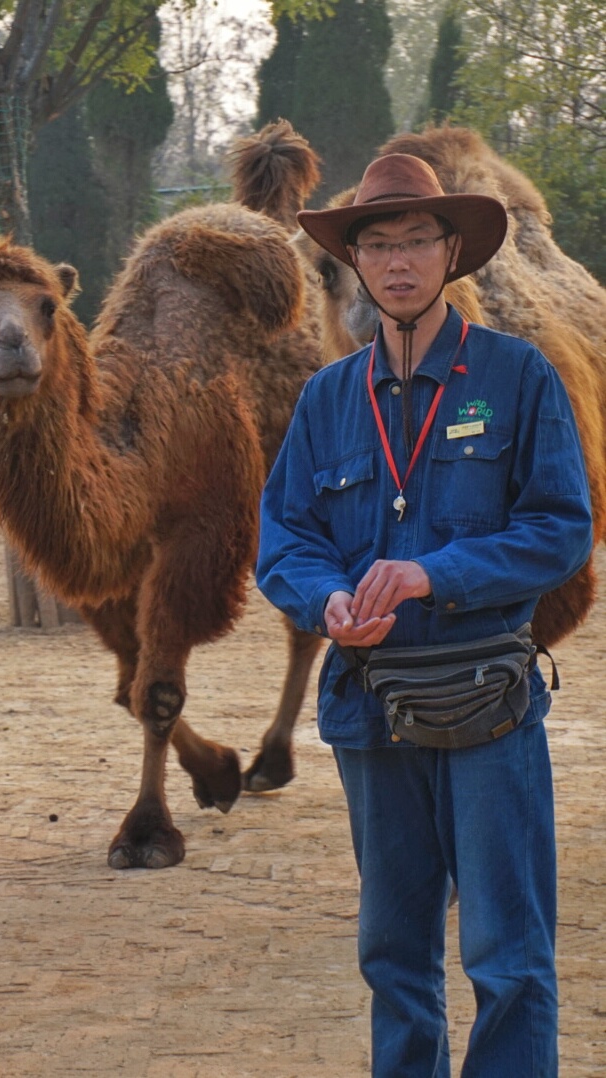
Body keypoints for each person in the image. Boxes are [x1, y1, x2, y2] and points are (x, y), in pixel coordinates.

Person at [257, 152, 594, 1077]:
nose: (397, 262)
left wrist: (430, 574)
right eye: (377, 244)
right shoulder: (327, 399)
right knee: (394, 954)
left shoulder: (518, 378)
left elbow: (561, 531)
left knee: (506, 954)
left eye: (415, 241)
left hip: (488, 699)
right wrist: (325, 597)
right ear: (356, 263)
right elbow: (283, 538)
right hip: (371, 706)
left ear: (452, 252)